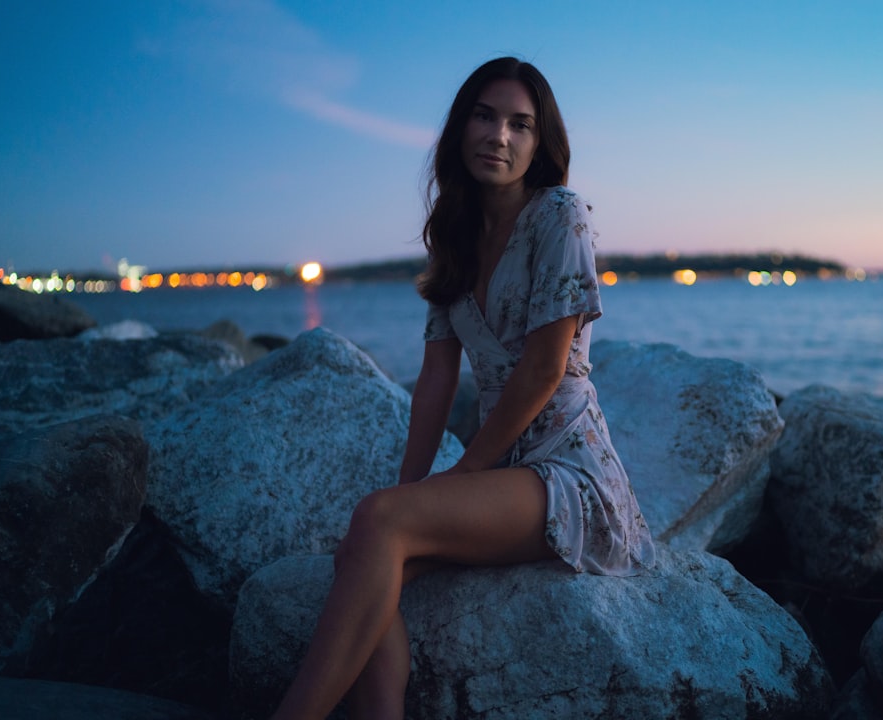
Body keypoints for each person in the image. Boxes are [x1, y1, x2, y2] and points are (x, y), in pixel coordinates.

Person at [271, 56, 656, 720]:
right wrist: (410, 490)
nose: (498, 136)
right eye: (484, 116)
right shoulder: (453, 240)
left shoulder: (559, 215)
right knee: (368, 550)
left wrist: (463, 471)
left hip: (571, 476)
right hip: (505, 473)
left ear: (540, 145)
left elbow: (543, 368)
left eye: (519, 124)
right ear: (459, 129)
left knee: (378, 526)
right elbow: (436, 381)